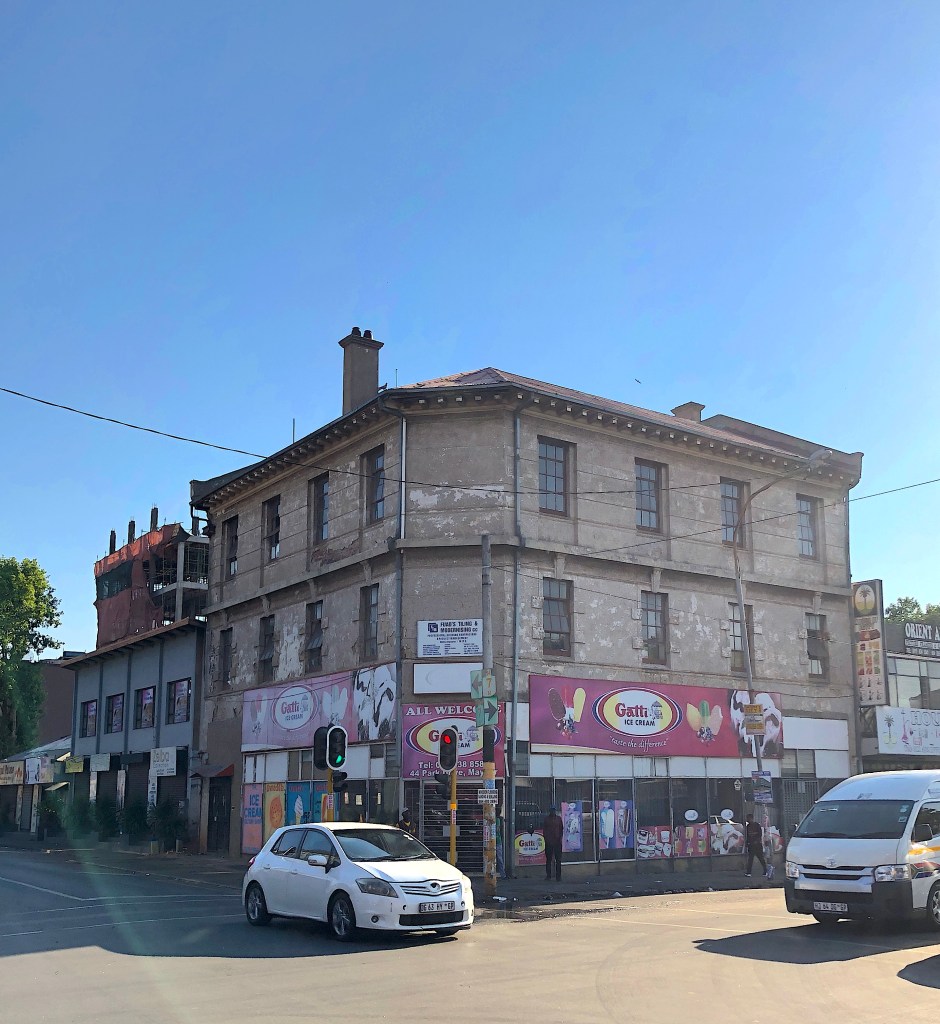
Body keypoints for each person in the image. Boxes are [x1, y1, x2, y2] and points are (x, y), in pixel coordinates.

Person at [744, 813, 768, 878]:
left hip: (757, 845)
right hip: (751, 845)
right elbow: (747, 836)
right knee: (750, 859)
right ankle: (749, 872)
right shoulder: (748, 826)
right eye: (747, 818)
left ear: (751, 818)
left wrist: (756, 841)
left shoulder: (757, 825)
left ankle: (765, 871)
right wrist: (747, 843)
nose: (747, 820)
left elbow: (760, 834)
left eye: (748, 818)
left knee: (761, 858)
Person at [543, 806, 563, 881]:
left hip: (557, 842)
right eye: (551, 810)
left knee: (558, 860)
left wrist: (560, 838)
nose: (553, 812)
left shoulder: (558, 819)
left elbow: (561, 829)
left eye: (554, 810)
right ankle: (548, 875)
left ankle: (558, 876)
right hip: (549, 842)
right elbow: (544, 830)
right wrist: (546, 839)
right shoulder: (546, 819)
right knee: (548, 859)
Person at [495, 806, 506, 878]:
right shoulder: (498, 820)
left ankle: (502, 873)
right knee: (499, 858)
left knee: (498, 858)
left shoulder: (497, 820)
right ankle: (502, 874)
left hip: (496, 840)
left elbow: (497, 830)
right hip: (498, 840)